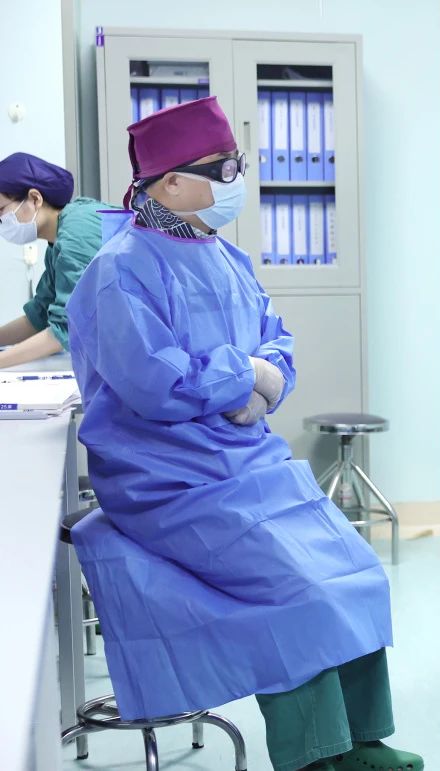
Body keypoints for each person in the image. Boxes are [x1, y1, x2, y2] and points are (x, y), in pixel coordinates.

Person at [66, 97, 421, 771]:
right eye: (222, 167)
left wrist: (268, 381)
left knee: (354, 570)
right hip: (168, 480)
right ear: (170, 182)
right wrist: (246, 376)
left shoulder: (227, 257)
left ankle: (364, 738)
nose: (237, 179)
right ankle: (317, 756)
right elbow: (154, 382)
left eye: (239, 163)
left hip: (249, 465)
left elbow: (276, 341)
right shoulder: (120, 270)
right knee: (300, 591)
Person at [0, 153, 109, 369]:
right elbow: (40, 316)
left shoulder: (77, 231)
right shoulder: (58, 243)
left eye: (1, 211)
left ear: (35, 199)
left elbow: (68, 327)